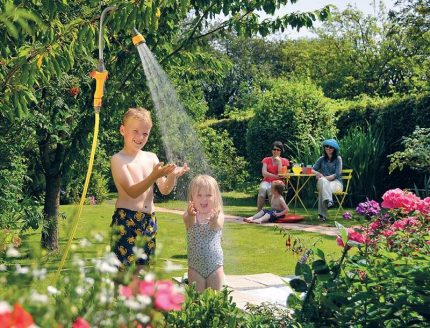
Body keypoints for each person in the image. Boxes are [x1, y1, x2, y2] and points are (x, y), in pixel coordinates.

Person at [110, 107, 190, 269]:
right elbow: (132, 192)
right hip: (126, 219)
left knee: (144, 270)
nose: (140, 137)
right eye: (135, 131)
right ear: (122, 130)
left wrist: (172, 176)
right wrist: (154, 176)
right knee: (123, 272)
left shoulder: (151, 157)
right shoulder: (118, 159)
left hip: (148, 220)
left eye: (145, 133)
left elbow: (164, 190)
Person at [183, 174, 224, 293]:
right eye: (199, 195)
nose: (203, 199)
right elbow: (189, 224)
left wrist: (214, 220)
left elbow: (217, 226)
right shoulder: (188, 215)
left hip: (215, 265)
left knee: (214, 298)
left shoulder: (219, 215)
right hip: (195, 266)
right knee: (196, 300)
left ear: (215, 197)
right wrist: (191, 215)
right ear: (192, 198)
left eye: (208, 195)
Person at [312, 139, 343, 222]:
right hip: (323, 183)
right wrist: (317, 173)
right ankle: (329, 201)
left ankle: (322, 215)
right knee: (323, 183)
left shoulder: (338, 159)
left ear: (334, 149)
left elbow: (337, 174)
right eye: (327, 146)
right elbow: (311, 170)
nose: (328, 148)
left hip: (336, 183)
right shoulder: (321, 159)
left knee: (323, 185)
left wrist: (323, 178)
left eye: (331, 147)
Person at [257, 141, 290, 211]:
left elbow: (281, 174)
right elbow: (264, 173)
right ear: (272, 150)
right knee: (262, 192)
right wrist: (276, 176)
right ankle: (259, 212)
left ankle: (274, 212)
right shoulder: (266, 160)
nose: (276, 151)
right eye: (274, 149)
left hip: (278, 182)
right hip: (266, 180)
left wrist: (279, 162)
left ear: (281, 151)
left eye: (278, 150)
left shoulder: (284, 161)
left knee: (271, 192)